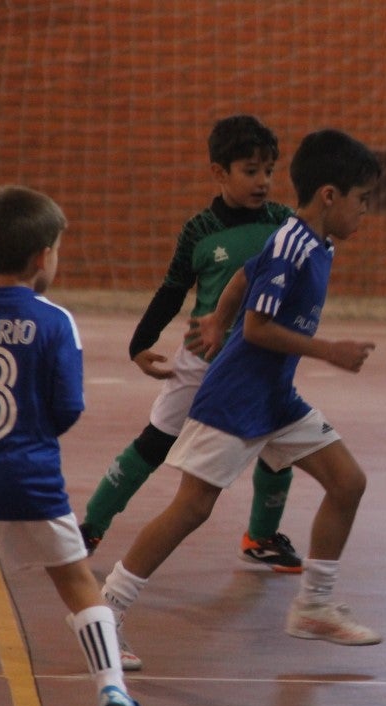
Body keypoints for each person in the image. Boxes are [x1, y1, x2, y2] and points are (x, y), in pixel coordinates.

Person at [101, 128, 384, 652]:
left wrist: (216, 317)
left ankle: (314, 606)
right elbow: (257, 329)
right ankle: (108, 610)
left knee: (348, 482)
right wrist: (328, 350)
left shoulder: (310, 241)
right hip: (234, 399)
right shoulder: (293, 244)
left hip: (275, 399)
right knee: (192, 508)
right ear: (329, 195)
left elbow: (243, 275)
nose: (365, 211)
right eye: (362, 200)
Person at [81, 115, 303, 584]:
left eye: (269, 171)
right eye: (250, 171)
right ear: (219, 172)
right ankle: (90, 527)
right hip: (201, 364)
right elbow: (172, 290)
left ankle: (261, 537)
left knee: (278, 449)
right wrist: (140, 343)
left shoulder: (284, 224)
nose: (263, 181)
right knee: (154, 444)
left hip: (259, 365)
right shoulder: (200, 230)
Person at [0, 185, 152, 706]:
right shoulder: (55, 321)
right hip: (30, 477)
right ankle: (112, 690)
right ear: (42, 258)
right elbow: (67, 407)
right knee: (79, 583)